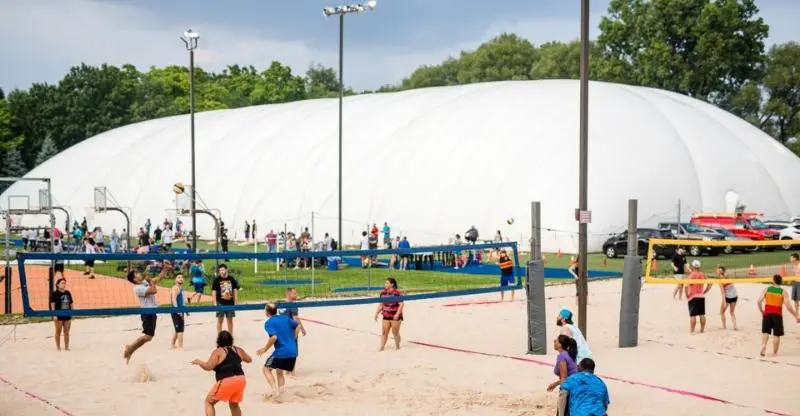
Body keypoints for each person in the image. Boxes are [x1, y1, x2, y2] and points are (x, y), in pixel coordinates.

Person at [191, 330, 252, 416]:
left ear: (218, 341)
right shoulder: (238, 349)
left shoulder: (218, 351)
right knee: (234, 404)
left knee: (209, 402)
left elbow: (209, 367)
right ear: (231, 340)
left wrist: (199, 362)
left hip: (227, 380)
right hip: (241, 379)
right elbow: (249, 360)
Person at [257, 303, 300, 400]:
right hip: (293, 351)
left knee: (266, 369)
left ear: (267, 312)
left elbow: (274, 337)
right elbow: (298, 326)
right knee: (279, 371)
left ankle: (275, 392)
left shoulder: (268, 323)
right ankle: (282, 393)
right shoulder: (285, 318)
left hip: (282, 352)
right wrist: (294, 337)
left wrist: (264, 349)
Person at [123, 270, 164, 364]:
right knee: (148, 336)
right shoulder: (137, 288)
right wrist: (150, 282)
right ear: (134, 279)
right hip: (147, 312)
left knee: (149, 337)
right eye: (137, 274)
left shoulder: (143, 283)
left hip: (152, 311)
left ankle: (131, 349)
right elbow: (154, 290)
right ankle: (130, 347)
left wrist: (165, 269)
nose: (139, 273)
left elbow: (157, 279)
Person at [757, 274, 800, 357]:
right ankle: (774, 353)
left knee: (766, 332)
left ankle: (764, 345)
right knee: (777, 335)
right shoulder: (783, 291)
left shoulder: (767, 289)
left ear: (774, 281)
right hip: (777, 314)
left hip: (767, 313)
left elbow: (758, 301)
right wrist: (796, 315)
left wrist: (761, 311)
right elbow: (788, 306)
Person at [279, 288, 307, 375]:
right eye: (294, 294)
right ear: (288, 295)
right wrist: (302, 329)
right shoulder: (293, 305)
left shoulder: (281, 304)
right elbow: (295, 320)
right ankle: (292, 372)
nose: (296, 295)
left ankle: (287, 370)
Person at [374, 277, 404, 351]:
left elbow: (401, 304)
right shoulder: (383, 293)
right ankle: (382, 347)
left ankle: (397, 346)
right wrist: (376, 313)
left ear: (392, 284)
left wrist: (397, 314)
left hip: (395, 315)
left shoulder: (397, 293)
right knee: (384, 332)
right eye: (385, 283)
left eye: (387, 283)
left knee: (395, 332)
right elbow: (381, 304)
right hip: (386, 314)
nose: (385, 284)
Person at [684, 260, 712, 333]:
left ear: (693, 266)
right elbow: (710, 283)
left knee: (693, 315)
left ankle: (692, 331)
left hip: (693, 297)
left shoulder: (691, 275)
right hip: (701, 296)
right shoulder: (703, 274)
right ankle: (702, 330)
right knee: (701, 314)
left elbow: (686, 286)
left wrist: (687, 294)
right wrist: (705, 291)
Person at [212, 264, 239, 335]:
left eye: (223, 270)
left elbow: (235, 290)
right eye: (220, 270)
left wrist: (236, 301)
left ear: (226, 270)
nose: (221, 272)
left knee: (230, 320)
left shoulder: (231, 279)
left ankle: (230, 335)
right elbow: (214, 292)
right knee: (220, 320)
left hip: (230, 303)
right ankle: (219, 336)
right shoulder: (217, 280)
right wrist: (215, 303)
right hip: (220, 303)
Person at [50, 278, 74, 351]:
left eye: (64, 283)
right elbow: (52, 305)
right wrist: (54, 315)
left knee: (66, 332)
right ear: (58, 284)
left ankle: (66, 347)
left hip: (67, 314)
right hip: (58, 314)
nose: (64, 284)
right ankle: (58, 347)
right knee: (58, 331)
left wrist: (72, 312)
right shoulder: (54, 293)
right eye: (62, 283)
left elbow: (71, 303)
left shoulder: (68, 292)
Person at [717, 265, 738, 330]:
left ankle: (724, 327)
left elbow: (723, 293)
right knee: (732, 312)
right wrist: (720, 268)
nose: (716, 271)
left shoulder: (720, 281)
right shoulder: (728, 277)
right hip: (735, 296)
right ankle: (735, 326)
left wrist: (724, 302)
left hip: (727, 297)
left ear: (719, 272)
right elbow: (724, 273)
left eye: (717, 270)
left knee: (721, 312)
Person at [171, 274, 186, 349]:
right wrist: (177, 310)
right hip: (176, 311)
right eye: (179, 277)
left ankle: (173, 344)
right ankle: (181, 347)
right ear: (175, 280)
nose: (181, 278)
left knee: (178, 329)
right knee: (180, 330)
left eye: (182, 277)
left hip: (181, 310)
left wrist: (186, 310)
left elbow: (182, 301)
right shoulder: (175, 288)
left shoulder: (181, 289)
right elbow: (174, 299)